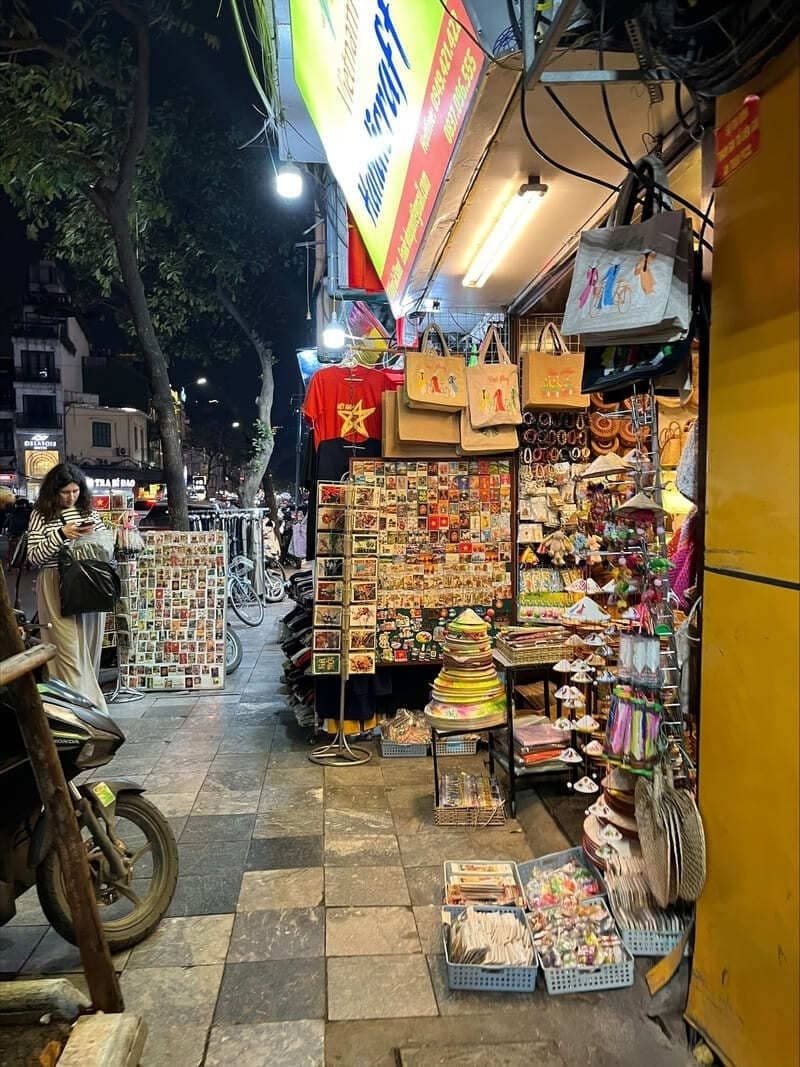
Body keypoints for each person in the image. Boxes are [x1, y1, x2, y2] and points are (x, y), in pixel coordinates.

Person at [27, 464, 108, 710]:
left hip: (89, 585)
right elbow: (35, 557)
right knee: (68, 650)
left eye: (75, 491)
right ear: (54, 492)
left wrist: (94, 538)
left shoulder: (89, 511)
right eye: (65, 493)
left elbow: (105, 549)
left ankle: (85, 707)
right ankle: (83, 709)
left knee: (89, 650)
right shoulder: (41, 514)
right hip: (56, 584)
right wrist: (61, 535)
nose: (70, 497)